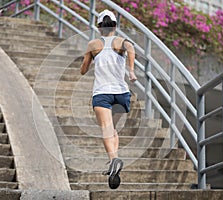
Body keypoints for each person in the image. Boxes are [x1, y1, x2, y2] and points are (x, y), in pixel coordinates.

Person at [80, 9, 137, 189]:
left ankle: (113, 159)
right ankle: (115, 161)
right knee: (112, 129)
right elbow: (131, 47)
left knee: (106, 128)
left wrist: (89, 59)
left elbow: (83, 70)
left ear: (98, 27)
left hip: (102, 93)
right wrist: (131, 70)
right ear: (115, 26)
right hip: (122, 94)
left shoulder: (93, 44)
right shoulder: (121, 42)